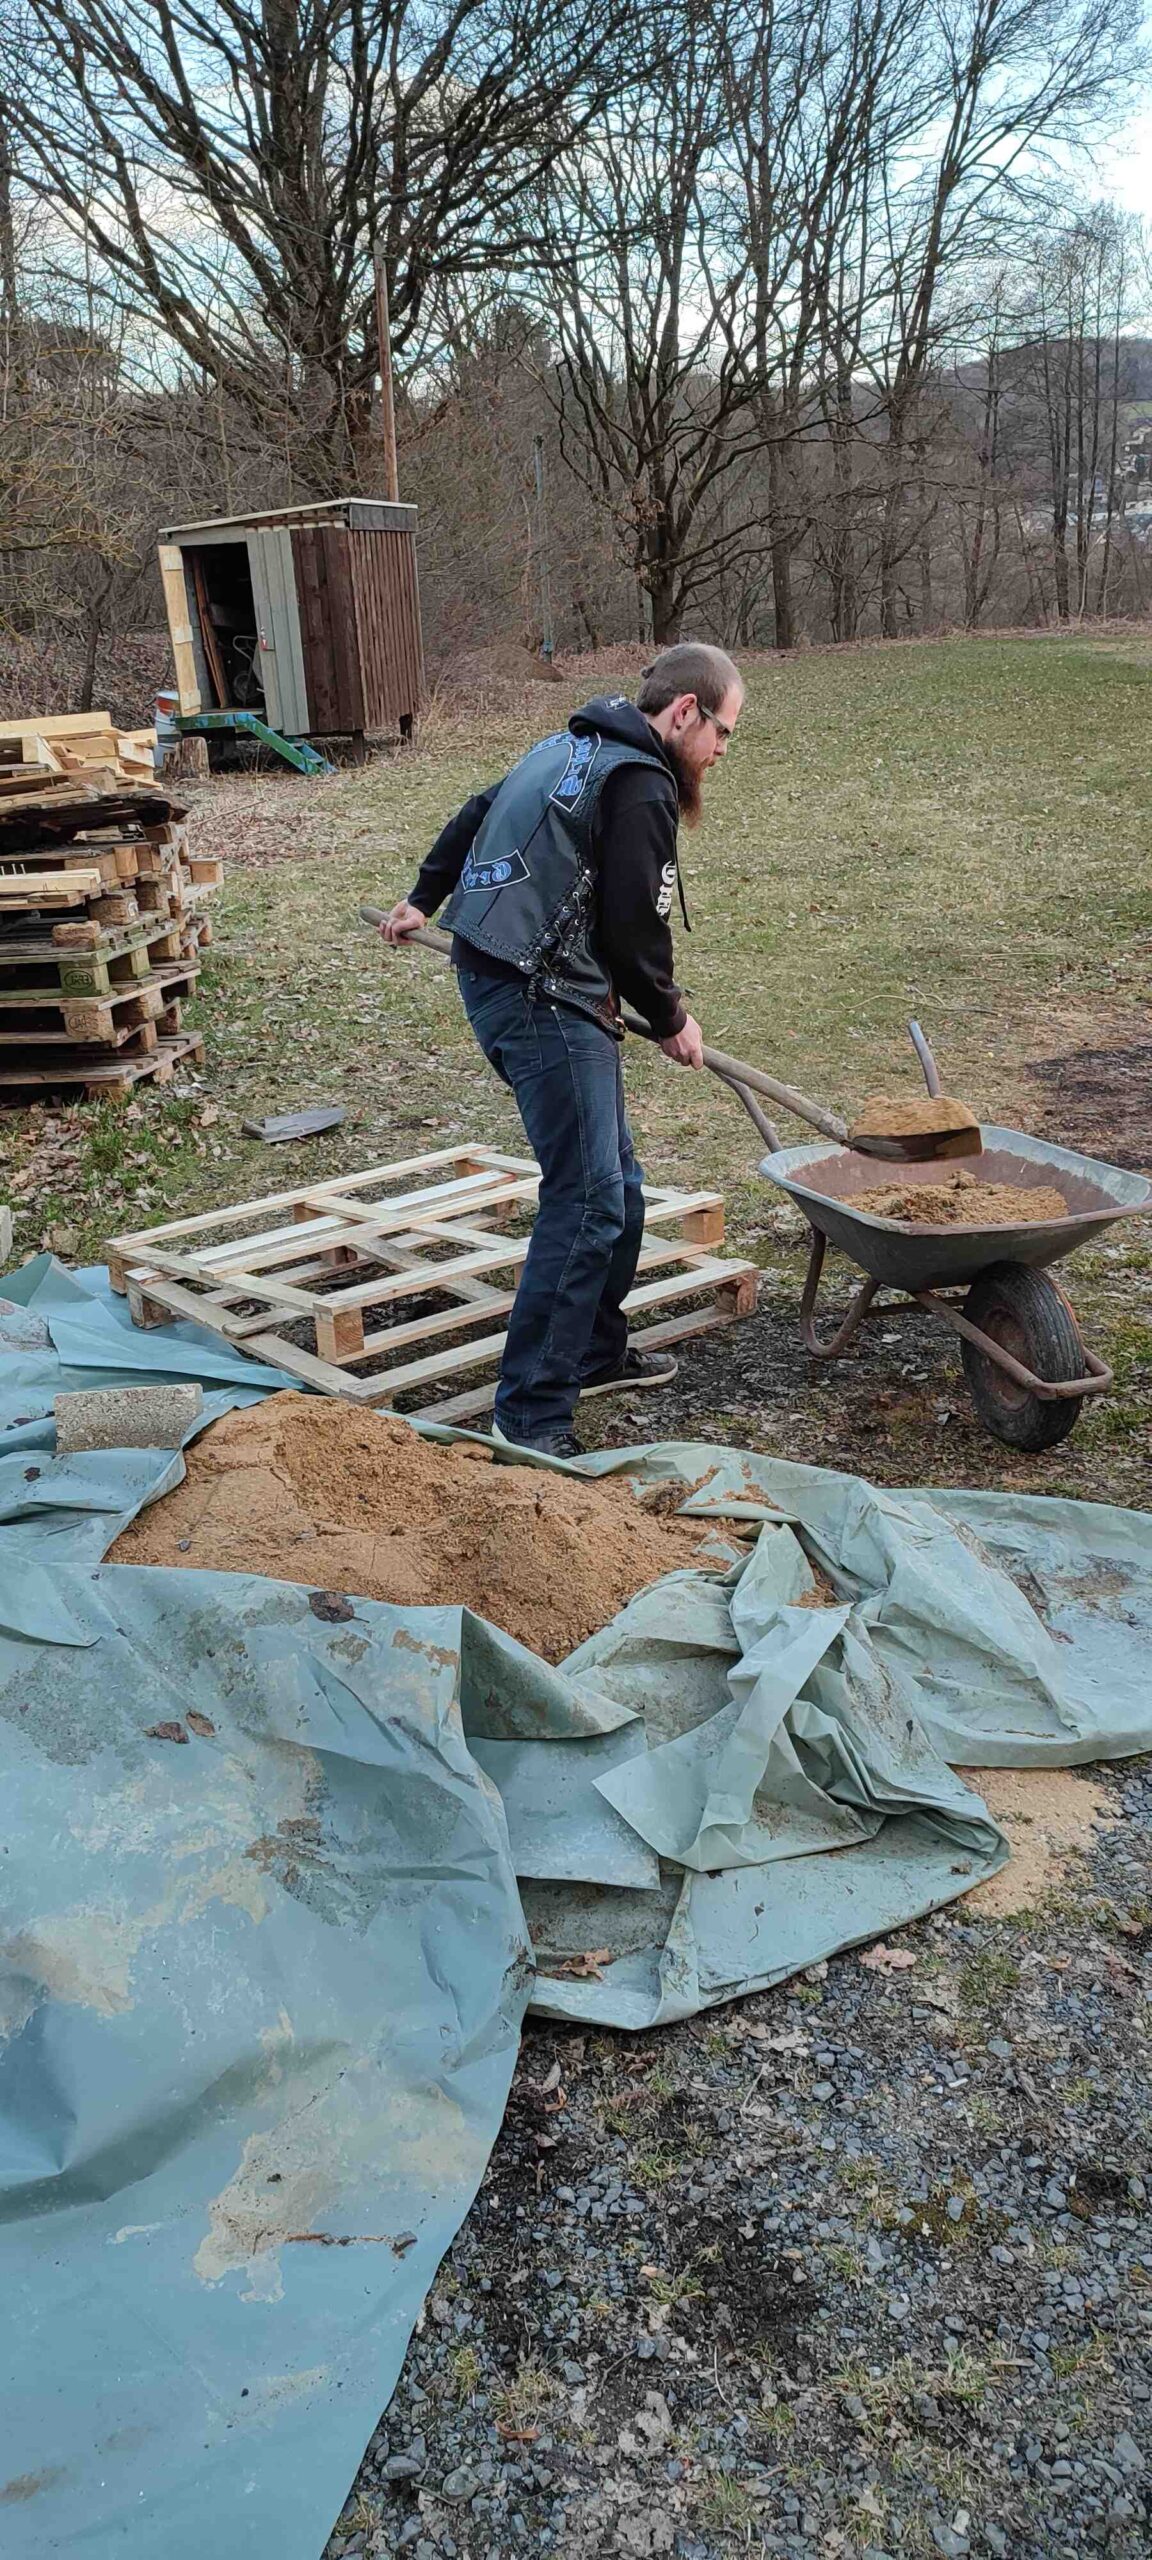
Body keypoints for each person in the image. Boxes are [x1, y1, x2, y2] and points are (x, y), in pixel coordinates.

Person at [379, 640, 744, 1457]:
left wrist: (421, 898)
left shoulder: (566, 746)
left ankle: (590, 1351)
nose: (721, 751)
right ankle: (532, 1415)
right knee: (586, 1198)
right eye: (723, 731)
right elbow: (632, 924)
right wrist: (671, 1014)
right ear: (685, 711)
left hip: (509, 973)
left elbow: (478, 811)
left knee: (619, 1185)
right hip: (538, 995)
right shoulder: (642, 779)